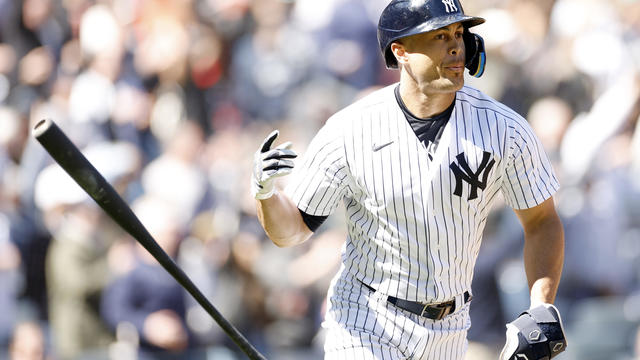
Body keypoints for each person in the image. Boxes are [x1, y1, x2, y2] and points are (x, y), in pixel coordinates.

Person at [251, 0, 566, 359]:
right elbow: (291, 230)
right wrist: (266, 194)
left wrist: (541, 306)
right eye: (439, 36)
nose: (455, 46)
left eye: (459, 34)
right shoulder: (350, 128)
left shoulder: (505, 129)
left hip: (452, 325)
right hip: (366, 321)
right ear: (400, 50)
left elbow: (542, 221)